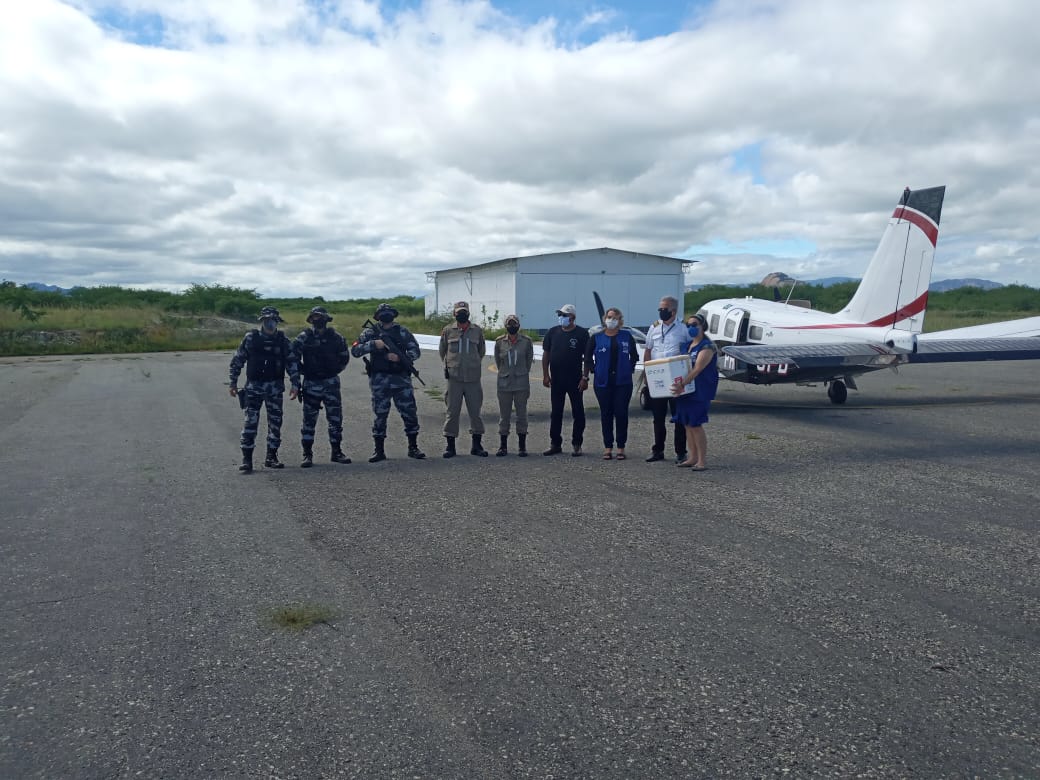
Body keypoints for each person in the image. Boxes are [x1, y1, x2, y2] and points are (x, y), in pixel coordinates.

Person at [228, 306, 300, 473]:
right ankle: (247, 459)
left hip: (275, 388)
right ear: (262, 321)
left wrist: (295, 384)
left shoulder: (283, 341)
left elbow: (292, 363)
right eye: (267, 320)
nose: (270, 323)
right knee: (250, 423)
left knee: (275, 423)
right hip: (253, 388)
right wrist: (233, 382)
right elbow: (238, 360)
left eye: (273, 320)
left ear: (277, 322)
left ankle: (271, 457)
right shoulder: (251, 338)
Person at [351, 303, 426, 462]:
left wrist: (402, 358)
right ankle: (379, 451)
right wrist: (373, 344)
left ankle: (413, 447)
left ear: (394, 314)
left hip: (401, 380)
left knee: (409, 413)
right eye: (382, 312)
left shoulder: (402, 331)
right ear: (377, 316)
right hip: (380, 381)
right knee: (380, 415)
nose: (386, 315)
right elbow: (355, 351)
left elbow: (415, 350)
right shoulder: (370, 332)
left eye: (389, 312)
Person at [292, 306, 351, 467]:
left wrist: (333, 371)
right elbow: (293, 358)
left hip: (331, 382)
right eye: (314, 317)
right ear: (310, 319)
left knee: (335, 419)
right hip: (311, 383)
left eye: (320, 317)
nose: (317, 320)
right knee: (309, 420)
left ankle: (336, 452)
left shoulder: (336, 337)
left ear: (326, 318)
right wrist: (303, 372)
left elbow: (344, 357)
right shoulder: (304, 337)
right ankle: (307, 454)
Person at [583, 307, 638, 460]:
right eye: (609, 317)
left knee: (621, 413)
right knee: (606, 414)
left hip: (623, 383)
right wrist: (594, 370)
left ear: (620, 320)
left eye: (615, 318)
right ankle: (608, 446)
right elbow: (587, 357)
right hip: (602, 383)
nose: (611, 320)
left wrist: (629, 369)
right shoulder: (596, 338)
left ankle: (621, 447)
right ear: (604, 319)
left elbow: (634, 356)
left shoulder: (627, 336)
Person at [671, 313, 719, 471]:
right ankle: (692, 457)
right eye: (689, 325)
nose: (691, 328)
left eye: (694, 325)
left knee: (696, 425)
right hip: (686, 391)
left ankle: (701, 460)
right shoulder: (687, 345)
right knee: (687, 424)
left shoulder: (707, 347)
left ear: (702, 326)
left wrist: (682, 384)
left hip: (700, 390)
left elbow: (698, 369)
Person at [439, 301, 488, 457]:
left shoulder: (477, 331)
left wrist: (471, 364)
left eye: (464, 311)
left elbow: (481, 351)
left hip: (473, 378)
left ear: (468, 313)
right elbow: (443, 351)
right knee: (452, 412)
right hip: (455, 379)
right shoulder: (448, 331)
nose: (462, 314)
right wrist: (450, 366)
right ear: (454, 314)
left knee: (475, 413)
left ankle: (476, 446)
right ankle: (450, 447)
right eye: (459, 312)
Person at [643, 295, 688, 463]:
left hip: (676, 378)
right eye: (660, 309)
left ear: (673, 311)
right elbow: (648, 350)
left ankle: (681, 452)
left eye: (664, 309)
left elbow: (689, 351)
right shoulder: (654, 327)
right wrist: (646, 372)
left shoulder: (683, 328)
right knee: (658, 417)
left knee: (679, 417)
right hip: (658, 378)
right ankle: (658, 450)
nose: (661, 312)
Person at [542, 303, 589, 456]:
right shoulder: (552, 332)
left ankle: (577, 443)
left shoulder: (582, 333)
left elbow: (587, 357)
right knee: (556, 413)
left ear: (572, 317)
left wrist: (585, 377)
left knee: (578, 412)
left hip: (575, 380)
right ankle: (555, 443)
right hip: (557, 380)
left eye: (564, 315)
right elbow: (546, 354)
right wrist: (546, 374)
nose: (561, 317)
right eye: (560, 315)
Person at [493, 313, 534, 456]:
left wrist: (521, 373)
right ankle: (503, 446)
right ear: (505, 326)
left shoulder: (526, 342)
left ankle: (522, 447)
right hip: (504, 383)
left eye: (514, 323)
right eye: (509, 324)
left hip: (521, 383)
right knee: (504, 416)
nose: (512, 326)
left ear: (519, 325)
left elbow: (528, 361)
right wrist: (505, 373)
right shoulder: (499, 342)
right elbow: (498, 362)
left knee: (521, 415)